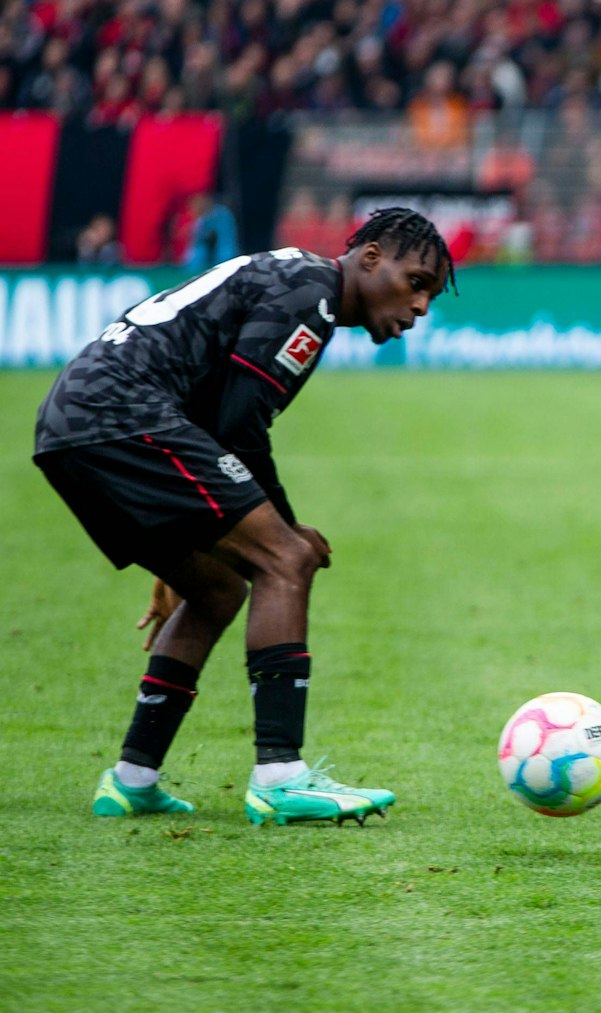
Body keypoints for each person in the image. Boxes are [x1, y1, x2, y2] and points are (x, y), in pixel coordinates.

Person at [35, 209, 455, 824]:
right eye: (416, 281)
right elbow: (239, 426)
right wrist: (284, 526)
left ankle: (132, 777)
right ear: (369, 259)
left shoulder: (293, 278)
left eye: (429, 295)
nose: (420, 305)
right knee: (286, 559)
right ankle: (281, 775)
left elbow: (216, 419)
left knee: (214, 587)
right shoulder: (311, 295)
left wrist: (197, 538)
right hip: (123, 415)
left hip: (70, 427)